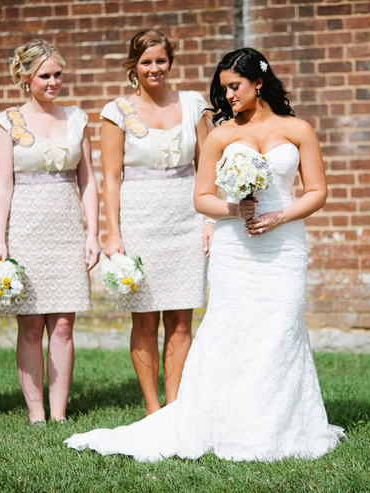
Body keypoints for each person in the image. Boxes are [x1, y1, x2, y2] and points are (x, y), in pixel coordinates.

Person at [65, 48, 343, 462]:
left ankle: (277, 424)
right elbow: (201, 198)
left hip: (284, 246)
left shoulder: (298, 129)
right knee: (234, 330)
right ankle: (229, 423)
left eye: (235, 86)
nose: (228, 95)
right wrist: (234, 209)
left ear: (259, 83)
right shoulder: (221, 135)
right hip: (236, 247)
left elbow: (318, 192)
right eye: (224, 88)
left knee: (280, 327)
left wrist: (280, 215)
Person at [100, 30, 211, 415]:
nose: (154, 68)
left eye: (160, 61)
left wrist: (210, 220)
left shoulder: (194, 105)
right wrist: (113, 233)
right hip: (140, 220)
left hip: (187, 217)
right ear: (134, 67)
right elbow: (111, 178)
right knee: (145, 320)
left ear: (170, 63)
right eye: (146, 62)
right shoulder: (116, 113)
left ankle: (177, 406)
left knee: (182, 320)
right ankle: (153, 408)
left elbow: (206, 167)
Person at [0, 40, 100, 425]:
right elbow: (2, 185)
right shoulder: (7, 123)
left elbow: (87, 181)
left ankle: (59, 412)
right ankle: (36, 413)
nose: (53, 82)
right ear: (25, 77)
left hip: (67, 227)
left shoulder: (77, 118)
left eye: (57, 74)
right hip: (26, 228)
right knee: (32, 324)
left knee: (64, 325)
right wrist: (0, 240)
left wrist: (92, 234)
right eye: (44, 75)